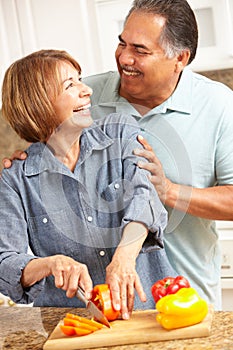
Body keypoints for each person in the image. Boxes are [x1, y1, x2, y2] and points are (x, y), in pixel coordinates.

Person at [3, 0, 233, 309]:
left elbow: (145, 195)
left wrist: (167, 191)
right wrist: (27, 160)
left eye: (140, 50)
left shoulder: (218, 105)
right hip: (83, 314)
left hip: (181, 288)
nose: (124, 57)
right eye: (122, 43)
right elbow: (44, 121)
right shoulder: (92, 96)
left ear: (179, 58)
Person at [0, 49, 176, 319]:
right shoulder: (15, 179)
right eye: (70, 85)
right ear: (38, 103)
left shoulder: (120, 132)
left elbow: (146, 195)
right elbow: (5, 262)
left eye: (80, 79)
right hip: (71, 326)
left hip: (153, 313)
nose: (87, 91)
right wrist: (50, 264)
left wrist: (124, 259)